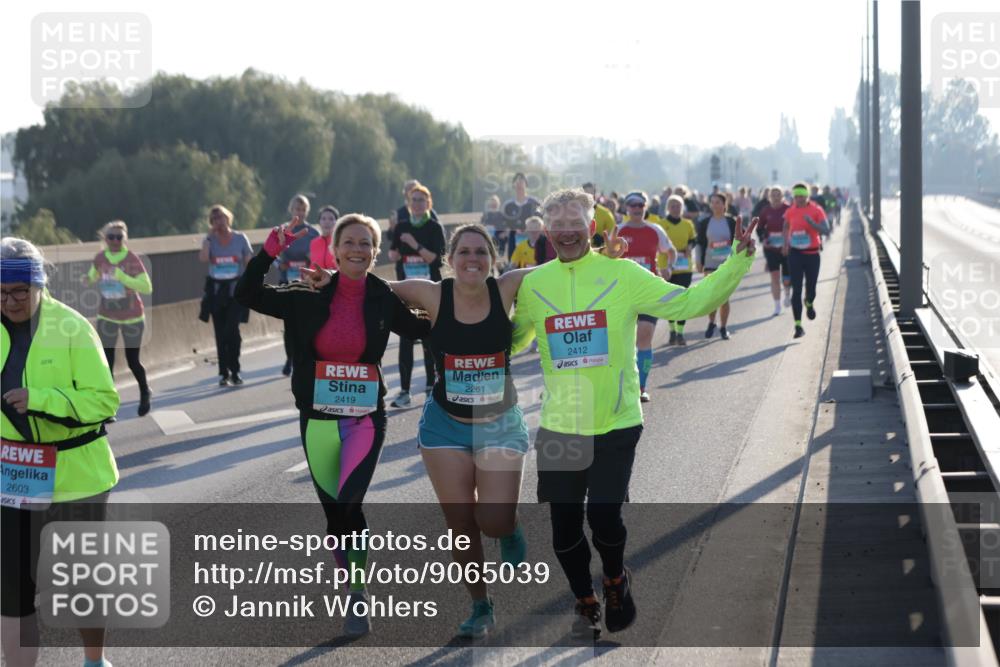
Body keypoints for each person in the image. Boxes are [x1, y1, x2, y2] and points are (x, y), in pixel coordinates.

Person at [510, 189, 756, 639]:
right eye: (558, 224)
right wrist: (457, 328)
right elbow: (513, 340)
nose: (567, 231)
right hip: (562, 422)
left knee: (604, 518)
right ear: (546, 231)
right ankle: (585, 600)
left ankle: (616, 579)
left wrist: (736, 262)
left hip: (617, 421)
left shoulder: (622, 274)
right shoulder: (533, 285)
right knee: (564, 533)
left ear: (593, 228)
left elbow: (686, 304)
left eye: (575, 222)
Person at [235, 214, 430, 637]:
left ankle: (357, 595)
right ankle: (352, 590)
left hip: (363, 417)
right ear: (335, 249)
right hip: (319, 417)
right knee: (334, 516)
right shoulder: (308, 295)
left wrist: (472, 302)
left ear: (376, 252)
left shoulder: (381, 297)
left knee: (349, 504)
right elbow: (247, 292)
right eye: (350, 242)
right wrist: (270, 249)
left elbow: (422, 327)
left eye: (366, 244)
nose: (358, 249)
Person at [389, 224, 532, 638]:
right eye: (464, 251)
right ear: (450, 259)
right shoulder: (433, 293)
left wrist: (607, 254)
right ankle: (480, 605)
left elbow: (565, 266)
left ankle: (509, 528)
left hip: (499, 423)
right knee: (460, 522)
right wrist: (331, 280)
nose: (473, 259)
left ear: (492, 258)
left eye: (481, 252)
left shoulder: (506, 287)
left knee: (493, 519)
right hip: (445, 426)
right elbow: (372, 286)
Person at [2, 237, 120, 667]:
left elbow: (104, 401)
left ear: (38, 285)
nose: (10, 302)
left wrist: (42, 399)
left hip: (77, 472)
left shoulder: (72, 327)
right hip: (15, 474)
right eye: (0, 293)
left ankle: (94, 660)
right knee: (13, 584)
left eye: (19, 292)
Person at [84, 220, 153, 417]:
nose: (115, 241)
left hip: (132, 317)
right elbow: (92, 276)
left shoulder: (132, 259)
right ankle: (109, 408)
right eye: (111, 237)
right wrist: (88, 279)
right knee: (107, 362)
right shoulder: (100, 258)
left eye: (119, 237)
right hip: (107, 316)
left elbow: (147, 287)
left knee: (133, 361)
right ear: (105, 239)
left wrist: (122, 277)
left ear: (125, 239)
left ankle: (145, 391)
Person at [388, 184, 445, 407]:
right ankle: (404, 391)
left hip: (429, 291)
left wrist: (415, 245)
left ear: (428, 203)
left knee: (428, 339)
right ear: (409, 204)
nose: (418, 203)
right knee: (405, 339)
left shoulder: (434, 227)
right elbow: (392, 254)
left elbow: (436, 260)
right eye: (414, 200)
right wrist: (393, 240)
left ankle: (431, 387)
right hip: (405, 290)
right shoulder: (401, 226)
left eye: (422, 200)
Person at [616, 191, 675, 402]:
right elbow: (606, 259)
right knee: (622, 343)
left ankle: (641, 387)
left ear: (645, 207)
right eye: (632, 205)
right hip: (622, 294)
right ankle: (623, 383)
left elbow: (671, 251)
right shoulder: (619, 231)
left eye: (640, 204)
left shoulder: (655, 230)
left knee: (645, 336)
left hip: (649, 291)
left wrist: (668, 267)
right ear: (626, 208)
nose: (636, 208)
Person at [198, 204, 253, 386]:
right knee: (220, 334)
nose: (218, 222)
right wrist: (207, 238)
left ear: (228, 218)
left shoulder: (240, 238)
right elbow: (204, 259)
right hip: (216, 291)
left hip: (235, 291)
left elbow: (249, 261)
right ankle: (224, 373)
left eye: (221, 217)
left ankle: (235, 370)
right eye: (214, 219)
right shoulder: (210, 240)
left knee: (232, 331)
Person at [278, 195, 320, 377]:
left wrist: (311, 261)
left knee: (307, 323)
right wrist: (280, 263)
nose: (299, 213)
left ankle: (306, 357)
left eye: (303, 210)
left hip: (308, 283)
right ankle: (290, 358)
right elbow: (272, 255)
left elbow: (320, 257)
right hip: (287, 281)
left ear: (307, 211)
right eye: (296, 209)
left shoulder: (313, 233)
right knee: (289, 325)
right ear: (291, 210)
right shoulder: (282, 230)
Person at [783, 182, 830, 338]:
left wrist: (812, 223)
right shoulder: (790, 211)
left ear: (807, 195)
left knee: (811, 288)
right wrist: (785, 244)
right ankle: (798, 326)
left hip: (812, 254)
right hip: (795, 254)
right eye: (796, 196)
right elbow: (785, 226)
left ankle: (809, 303)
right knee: (796, 289)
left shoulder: (816, 210)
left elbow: (826, 229)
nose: (799, 199)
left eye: (802, 196)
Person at [695, 193, 742, 340]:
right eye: (712, 202)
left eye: (718, 202)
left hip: (727, 264)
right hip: (710, 263)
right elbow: (700, 243)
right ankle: (711, 322)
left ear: (724, 204)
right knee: (711, 296)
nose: (714, 205)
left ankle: (723, 327)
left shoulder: (731, 222)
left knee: (724, 297)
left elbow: (740, 240)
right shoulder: (704, 223)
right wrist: (698, 261)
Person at [656, 195, 698, 345]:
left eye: (678, 205)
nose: (675, 208)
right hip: (666, 266)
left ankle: (680, 333)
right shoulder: (661, 224)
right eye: (672, 205)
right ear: (668, 208)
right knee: (670, 301)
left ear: (682, 208)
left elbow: (693, 239)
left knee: (682, 300)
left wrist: (689, 247)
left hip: (684, 266)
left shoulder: (687, 223)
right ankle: (672, 331)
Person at [756, 186, 792, 316]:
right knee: (775, 277)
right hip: (771, 248)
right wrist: (762, 238)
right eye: (773, 195)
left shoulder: (788, 209)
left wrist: (788, 241)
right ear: (769, 197)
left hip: (787, 247)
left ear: (782, 196)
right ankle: (777, 305)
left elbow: (794, 226)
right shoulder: (765, 210)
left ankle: (787, 293)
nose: (776, 197)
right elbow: (759, 228)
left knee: (787, 277)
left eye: (778, 195)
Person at [500, 173, 541, 260]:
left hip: (532, 239)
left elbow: (541, 220)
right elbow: (505, 224)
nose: (519, 185)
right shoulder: (508, 205)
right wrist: (512, 230)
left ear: (526, 185)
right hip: (514, 239)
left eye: (522, 182)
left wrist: (529, 229)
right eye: (517, 182)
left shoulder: (534, 203)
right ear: (513, 185)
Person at [309, 205, 341, 271]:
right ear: (319, 222)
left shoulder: (340, 242)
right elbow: (312, 266)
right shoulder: (313, 243)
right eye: (323, 219)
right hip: (315, 280)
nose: (327, 222)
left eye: (331, 219)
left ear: (337, 222)